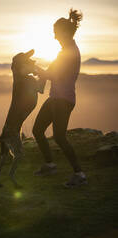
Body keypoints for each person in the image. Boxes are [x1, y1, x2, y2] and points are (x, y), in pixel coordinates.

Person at [33, 9, 87, 187]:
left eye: (56, 33)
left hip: (62, 100)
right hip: (56, 97)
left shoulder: (69, 52)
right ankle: (50, 165)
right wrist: (41, 71)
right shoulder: (65, 50)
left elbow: (54, 75)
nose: (54, 37)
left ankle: (79, 175)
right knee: (38, 129)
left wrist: (37, 70)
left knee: (59, 136)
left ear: (64, 32)